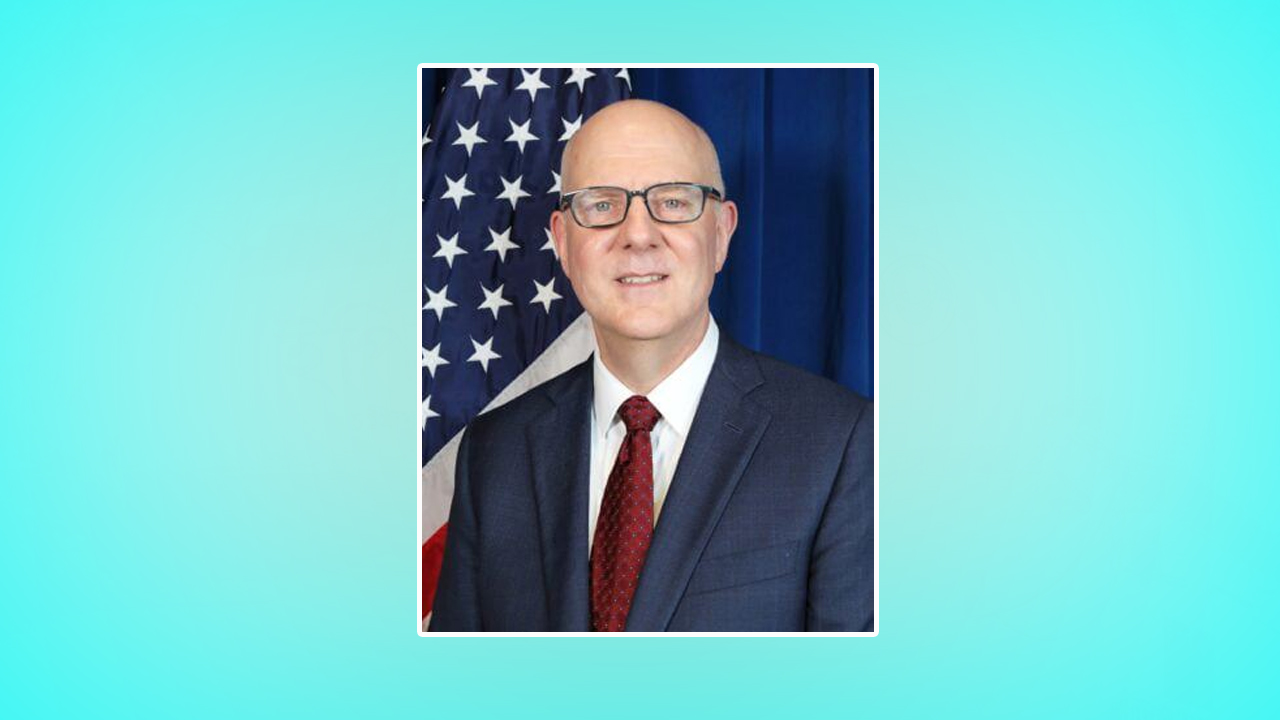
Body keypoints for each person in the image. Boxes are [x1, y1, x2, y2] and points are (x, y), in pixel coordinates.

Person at [429, 99, 873, 632]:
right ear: (563, 242)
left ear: (722, 233)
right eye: (601, 205)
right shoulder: (494, 450)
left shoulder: (841, 443)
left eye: (673, 201)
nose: (638, 234)